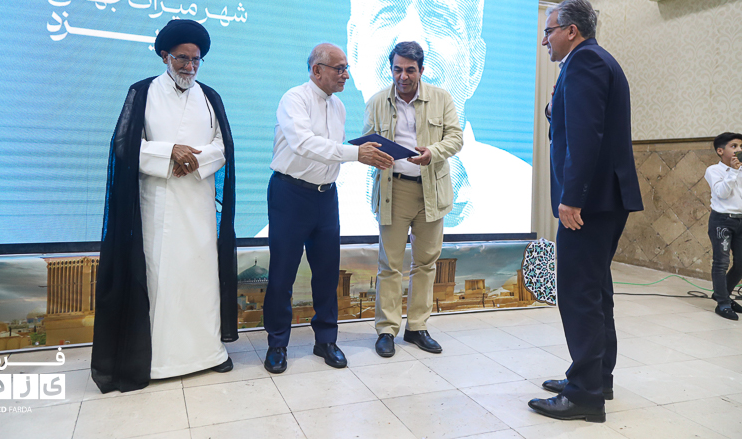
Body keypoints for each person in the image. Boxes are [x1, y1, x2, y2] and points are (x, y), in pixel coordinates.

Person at [339, 0, 532, 236]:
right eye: (389, 11)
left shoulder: (519, 196)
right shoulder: (322, 204)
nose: (411, 40)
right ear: (355, 50)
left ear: (475, 66)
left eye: (439, 17)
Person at [91, 19, 238, 393]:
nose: (189, 66)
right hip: (157, 204)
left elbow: (223, 146)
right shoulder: (142, 92)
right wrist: (168, 152)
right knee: (161, 279)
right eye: (182, 58)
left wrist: (195, 160)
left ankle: (208, 353)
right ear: (164, 56)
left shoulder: (210, 97)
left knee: (200, 278)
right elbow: (124, 145)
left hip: (199, 202)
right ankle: (159, 361)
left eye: (196, 60)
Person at [528, 0, 643, 422]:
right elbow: (582, 121)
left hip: (589, 203)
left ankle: (585, 395)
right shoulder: (593, 61)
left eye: (549, 31)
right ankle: (598, 379)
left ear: (571, 30)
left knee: (578, 293)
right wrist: (553, 108)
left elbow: (586, 136)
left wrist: (572, 197)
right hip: (604, 199)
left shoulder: (585, 63)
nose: (545, 40)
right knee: (595, 290)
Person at [262, 43, 394, 374]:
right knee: (282, 273)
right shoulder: (294, 99)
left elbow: (332, 151)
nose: (345, 74)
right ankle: (277, 344)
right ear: (317, 70)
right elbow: (303, 144)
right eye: (339, 68)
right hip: (290, 194)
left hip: (326, 197)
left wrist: (366, 152)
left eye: (346, 68)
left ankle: (326, 340)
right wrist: (356, 154)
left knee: (327, 273)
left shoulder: (339, 107)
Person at [363, 41, 463, 358]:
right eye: (397, 69)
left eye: (409, 70)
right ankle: (386, 330)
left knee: (426, 263)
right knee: (389, 264)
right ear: (391, 69)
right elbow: (367, 144)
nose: (402, 76)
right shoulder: (377, 102)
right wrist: (373, 155)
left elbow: (455, 138)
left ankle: (417, 327)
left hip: (431, 189)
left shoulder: (441, 98)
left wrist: (433, 152)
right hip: (394, 191)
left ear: (421, 70)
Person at [704, 132, 742, 321]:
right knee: (721, 262)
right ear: (720, 151)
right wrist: (734, 171)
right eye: (734, 146)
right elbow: (722, 193)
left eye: (741, 146)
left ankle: (723, 294)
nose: (739, 150)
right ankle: (723, 303)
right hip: (721, 221)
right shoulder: (713, 170)